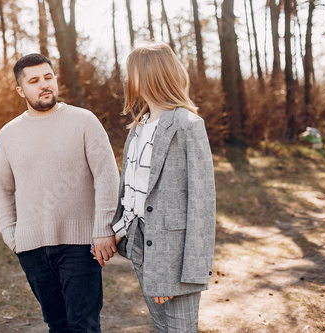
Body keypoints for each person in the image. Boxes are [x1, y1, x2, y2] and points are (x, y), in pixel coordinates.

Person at [0, 53, 119, 332]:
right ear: (21, 90)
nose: (44, 84)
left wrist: (101, 229)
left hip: (80, 245)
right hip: (31, 248)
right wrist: (11, 235)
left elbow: (108, 176)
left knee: (83, 325)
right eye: (34, 80)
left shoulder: (84, 121)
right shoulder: (8, 134)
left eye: (48, 77)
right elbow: (2, 190)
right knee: (57, 325)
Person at [110, 41, 216, 333]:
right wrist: (114, 233)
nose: (127, 79)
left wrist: (177, 276)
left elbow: (202, 207)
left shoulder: (187, 125)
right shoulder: (138, 127)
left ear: (150, 75)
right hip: (141, 245)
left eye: (131, 72)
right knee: (161, 328)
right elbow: (132, 194)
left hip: (175, 260)